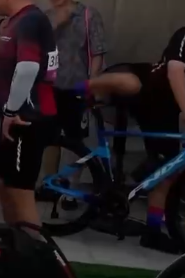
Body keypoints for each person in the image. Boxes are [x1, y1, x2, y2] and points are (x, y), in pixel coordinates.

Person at [73, 27, 185, 253]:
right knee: (132, 82)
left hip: (168, 108)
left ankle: (152, 232)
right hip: (151, 88)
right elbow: (175, 70)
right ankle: (74, 89)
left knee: (167, 170)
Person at [0, 0, 59, 230]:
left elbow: (28, 68)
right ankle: (15, 243)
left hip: (24, 118)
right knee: (3, 182)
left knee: (20, 192)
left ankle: (36, 250)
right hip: (11, 118)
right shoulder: (13, 22)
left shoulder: (30, 20)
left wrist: (10, 111)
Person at [37, 0, 107, 205]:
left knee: (75, 140)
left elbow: (97, 52)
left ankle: (71, 190)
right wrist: (57, 25)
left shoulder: (88, 15)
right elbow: (37, 49)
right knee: (49, 137)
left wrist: (92, 82)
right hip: (49, 87)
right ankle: (49, 183)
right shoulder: (45, 18)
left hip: (77, 86)